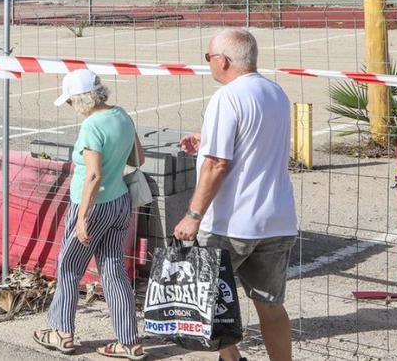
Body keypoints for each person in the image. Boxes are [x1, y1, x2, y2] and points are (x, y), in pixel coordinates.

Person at [173, 27, 297, 361]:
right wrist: (205, 143)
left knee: (204, 301)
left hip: (232, 224)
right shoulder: (275, 93)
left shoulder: (227, 97)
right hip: (277, 220)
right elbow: (254, 144)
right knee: (271, 307)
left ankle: (232, 358)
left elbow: (217, 164)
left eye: (209, 57)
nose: (208, 63)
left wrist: (193, 215)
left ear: (224, 60)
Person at [35, 68, 147, 360]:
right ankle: (129, 340)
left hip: (93, 206)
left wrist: (83, 216)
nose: (71, 107)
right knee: (113, 270)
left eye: (71, 101)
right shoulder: (121, 115)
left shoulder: (90, 127)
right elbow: (138, 158)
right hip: (120, 202)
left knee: (69, 267)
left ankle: (62, 332)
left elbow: (93, 175)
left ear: (82, 99)